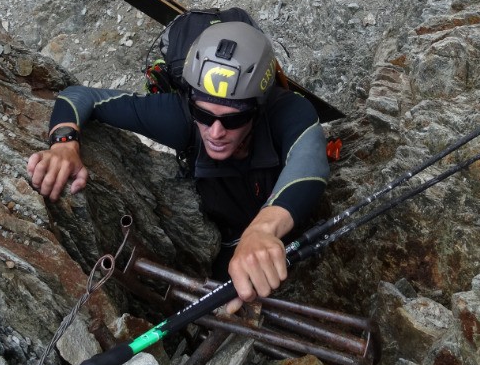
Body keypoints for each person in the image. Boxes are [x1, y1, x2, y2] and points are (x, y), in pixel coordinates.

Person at [27, 22, 330, 314]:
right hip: (223, 242)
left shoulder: (286, 110)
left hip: (275, 230)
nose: (214, 132)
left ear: (258, 107)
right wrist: (65, 143)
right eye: (203, 113)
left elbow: (310, 161)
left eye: (234, 119)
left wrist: (263, 229)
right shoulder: (179, 116)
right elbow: (80, 96)